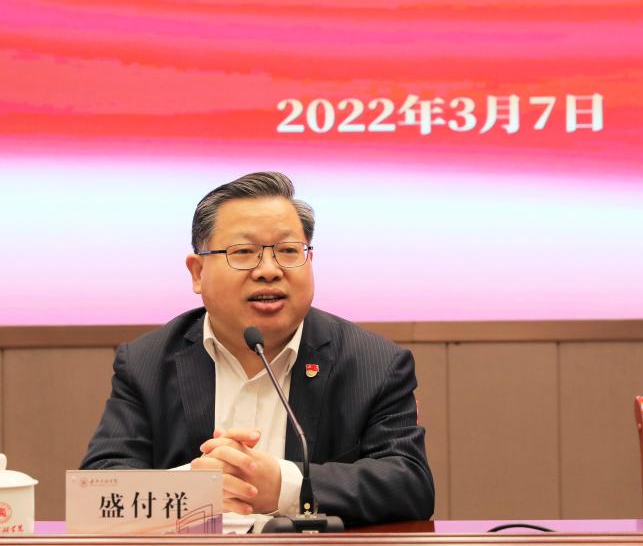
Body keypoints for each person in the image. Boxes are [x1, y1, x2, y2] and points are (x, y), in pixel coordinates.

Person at [81, 172, 434, 526]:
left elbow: (410, 485)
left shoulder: (374, 364)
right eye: (244, 252)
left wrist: (284, 486)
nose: (269, 270)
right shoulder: (146, 363)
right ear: (198, 272)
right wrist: (194, 491)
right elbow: (97, 495)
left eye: (288, 251)